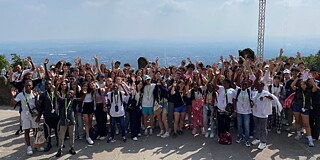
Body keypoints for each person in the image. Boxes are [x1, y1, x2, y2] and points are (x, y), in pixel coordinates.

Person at [11, 80, 43, 155]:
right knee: (27, 130)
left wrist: (36, 98)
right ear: (24, 86)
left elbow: (38, 106)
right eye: (26, 85)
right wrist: (13, 96)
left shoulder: (34, 94)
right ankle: (29, 147)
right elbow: (12, 104)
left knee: (36, 130)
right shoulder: (20, 95)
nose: (28, 87)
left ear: (32, 86)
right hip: (25, 115)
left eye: (29, 85)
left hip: (34, 114)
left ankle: (37, 144)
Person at [291, 74, 318, 147]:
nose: (302, 85)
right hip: (297, 106)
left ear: (306, 85)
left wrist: (311, 78)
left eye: (304, 84)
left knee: (306, 124)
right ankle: (299, 134)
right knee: (297, 121)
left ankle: (310, 139)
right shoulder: (298, 90)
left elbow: (315, 87)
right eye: (301, 84)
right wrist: (298, 77)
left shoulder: (310, 90)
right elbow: (292, 86)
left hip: (305, 107)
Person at [251, 81, 279, 150]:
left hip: (263, 114)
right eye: (258, 86)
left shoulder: (266, 93)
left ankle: (263, 142)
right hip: (255, 113)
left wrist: (266, 97)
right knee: (257, 127)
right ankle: (257, 139)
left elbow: (273, 98)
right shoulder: (255, 93)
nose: (259, 87)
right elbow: (253, 101)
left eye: (261, 86)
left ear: (263, 87)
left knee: (263, 128)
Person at [54, 82, 77, 157]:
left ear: (73, 96)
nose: (69, 94)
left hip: (71, 121)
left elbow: (81, 99)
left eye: (71, 93)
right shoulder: (63, 100)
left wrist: (84, 93)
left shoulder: (74, 101)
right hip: (63, 120)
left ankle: (72, 148)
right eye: (69, 93)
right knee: (61, 136)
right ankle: (60, 149)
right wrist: (57, 86)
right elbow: (56, 94)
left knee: (72, 135)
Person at [38, 80, 59, 152]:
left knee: (57, 130)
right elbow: (40, 107)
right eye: (46, 84)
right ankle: (49, 143)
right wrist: (39, 116)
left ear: (52, 85)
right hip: (47, 116)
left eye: (49, 84)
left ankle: (58, 142)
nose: (48, 85)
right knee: (48, 131)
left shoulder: (56, 93)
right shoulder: (43, 95)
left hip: (56, 116)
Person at [233, 81, 253, 147]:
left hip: (247, 112)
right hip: (239, 111)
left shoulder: (249, 91)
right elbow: (235, 100)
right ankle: (240, 136)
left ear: (247, 85)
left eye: (245, 84)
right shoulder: (238, 90)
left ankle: (247, 140)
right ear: (241, 84)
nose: (244, 85)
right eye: (243, 84)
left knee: (246, 126)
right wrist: (235, 110)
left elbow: (251, 100)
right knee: (239, 125)